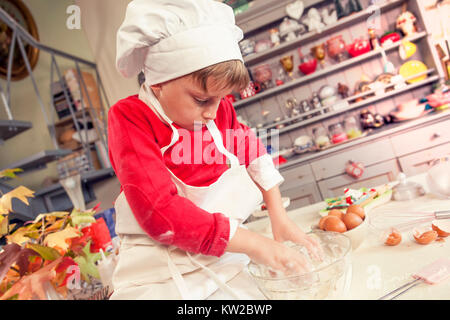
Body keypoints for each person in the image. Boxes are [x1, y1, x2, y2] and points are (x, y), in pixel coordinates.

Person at [108, 0, 323, 300]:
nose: (214, 111)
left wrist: (278, 214)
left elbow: (250, 148)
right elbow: (160, 213)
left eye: (221, 99)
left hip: (222, 259)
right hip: (159, 277)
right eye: (201, 99)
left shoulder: (217, 109)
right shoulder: (131, 118)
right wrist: (257, 245)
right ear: (158, 82)